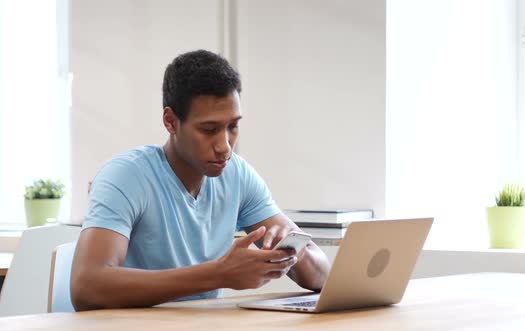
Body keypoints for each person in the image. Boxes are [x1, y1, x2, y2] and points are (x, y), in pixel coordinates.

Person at [70, 50, 331, 311]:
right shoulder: (125, 177)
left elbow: (323, 275)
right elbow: (87, 287)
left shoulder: (237, 175)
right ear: (171, 121)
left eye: (233, 127)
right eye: (209, 130)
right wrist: (219, 274)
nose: (225, 146)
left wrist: (293, 252)